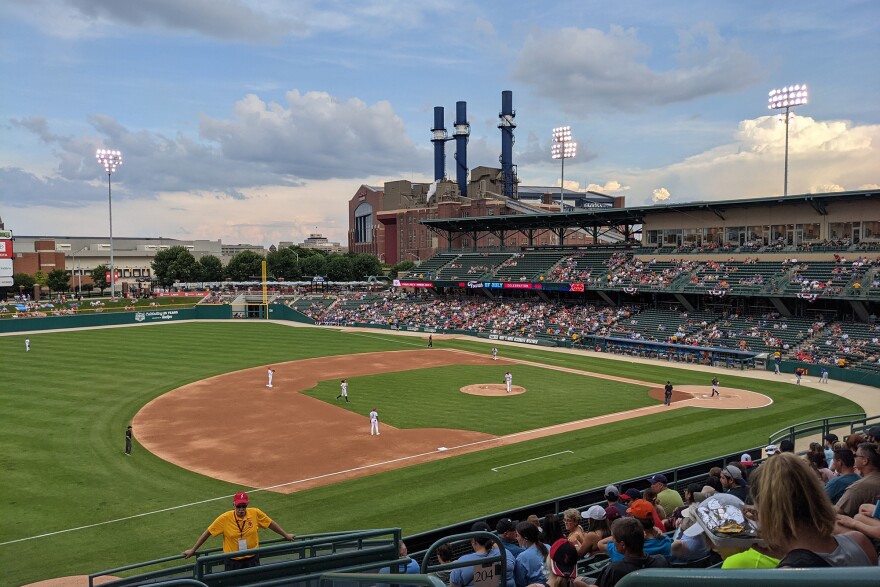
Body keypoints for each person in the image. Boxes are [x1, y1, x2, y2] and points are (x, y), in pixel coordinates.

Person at [750, 452, 876, 567]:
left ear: (769, 510)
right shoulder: (860, 541)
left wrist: (790, 559)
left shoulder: (787, 573)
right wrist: (789, 555)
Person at [182, 491, 296, 570]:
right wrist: (193, 550)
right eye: (238, 506)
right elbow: (208, 532)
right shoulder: (225, 518)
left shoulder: (255, 513)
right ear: (233, 505)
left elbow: (271, 524)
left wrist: (285, 535)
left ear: (247, 504)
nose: (241, 509)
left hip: (252, 559)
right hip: (233, 562)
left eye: (243, 506)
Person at [596, 518, 668, 587]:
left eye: (613, 537)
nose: (612, 540)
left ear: (623, 544)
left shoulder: (614, 570)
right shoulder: (661, 561)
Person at [449, 521, 515, 587]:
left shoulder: (462, 563)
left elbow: (453, 585)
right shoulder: (506, 553)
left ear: (473, 541)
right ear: (491, 538)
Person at [836, 441, 880, 517]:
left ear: (865, 461)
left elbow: (837, 511)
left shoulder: (860, 486)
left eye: (855, 455)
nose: (854, 458)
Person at [513, 521, 549, 587]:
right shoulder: (548, 547)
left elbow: (520, 583)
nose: (516, 538)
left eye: (517, 535)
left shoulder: (522, 557)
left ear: (525, 538)